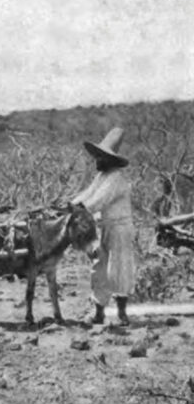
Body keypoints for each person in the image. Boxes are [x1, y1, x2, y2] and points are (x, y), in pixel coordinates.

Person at [71, 127, 135, 326]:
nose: (96, 160)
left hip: (120, 229)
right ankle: (99, 313)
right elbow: (89, 193)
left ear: (109, 159)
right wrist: (70, 205)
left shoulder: (116, 178)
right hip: (104, 226)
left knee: (119, 268)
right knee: (99, 268)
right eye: (97, 156)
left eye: (100, 156)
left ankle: (122, 314)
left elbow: (98, 200)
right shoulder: (103, 176)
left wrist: (80, 208)